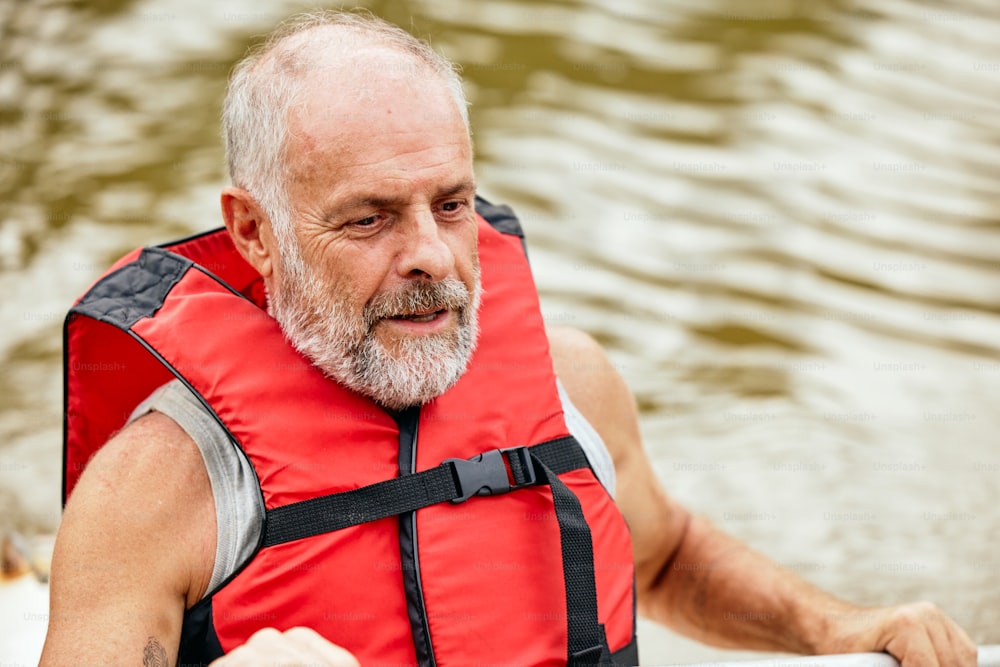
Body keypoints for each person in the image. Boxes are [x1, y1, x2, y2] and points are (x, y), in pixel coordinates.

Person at [41, 9, 976, 667]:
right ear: (255, 233)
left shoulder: (573, 386)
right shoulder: (156, 491)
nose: (431, 257)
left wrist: (838, 626)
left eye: (450, 205)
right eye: (368, 220)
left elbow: (666, 555)